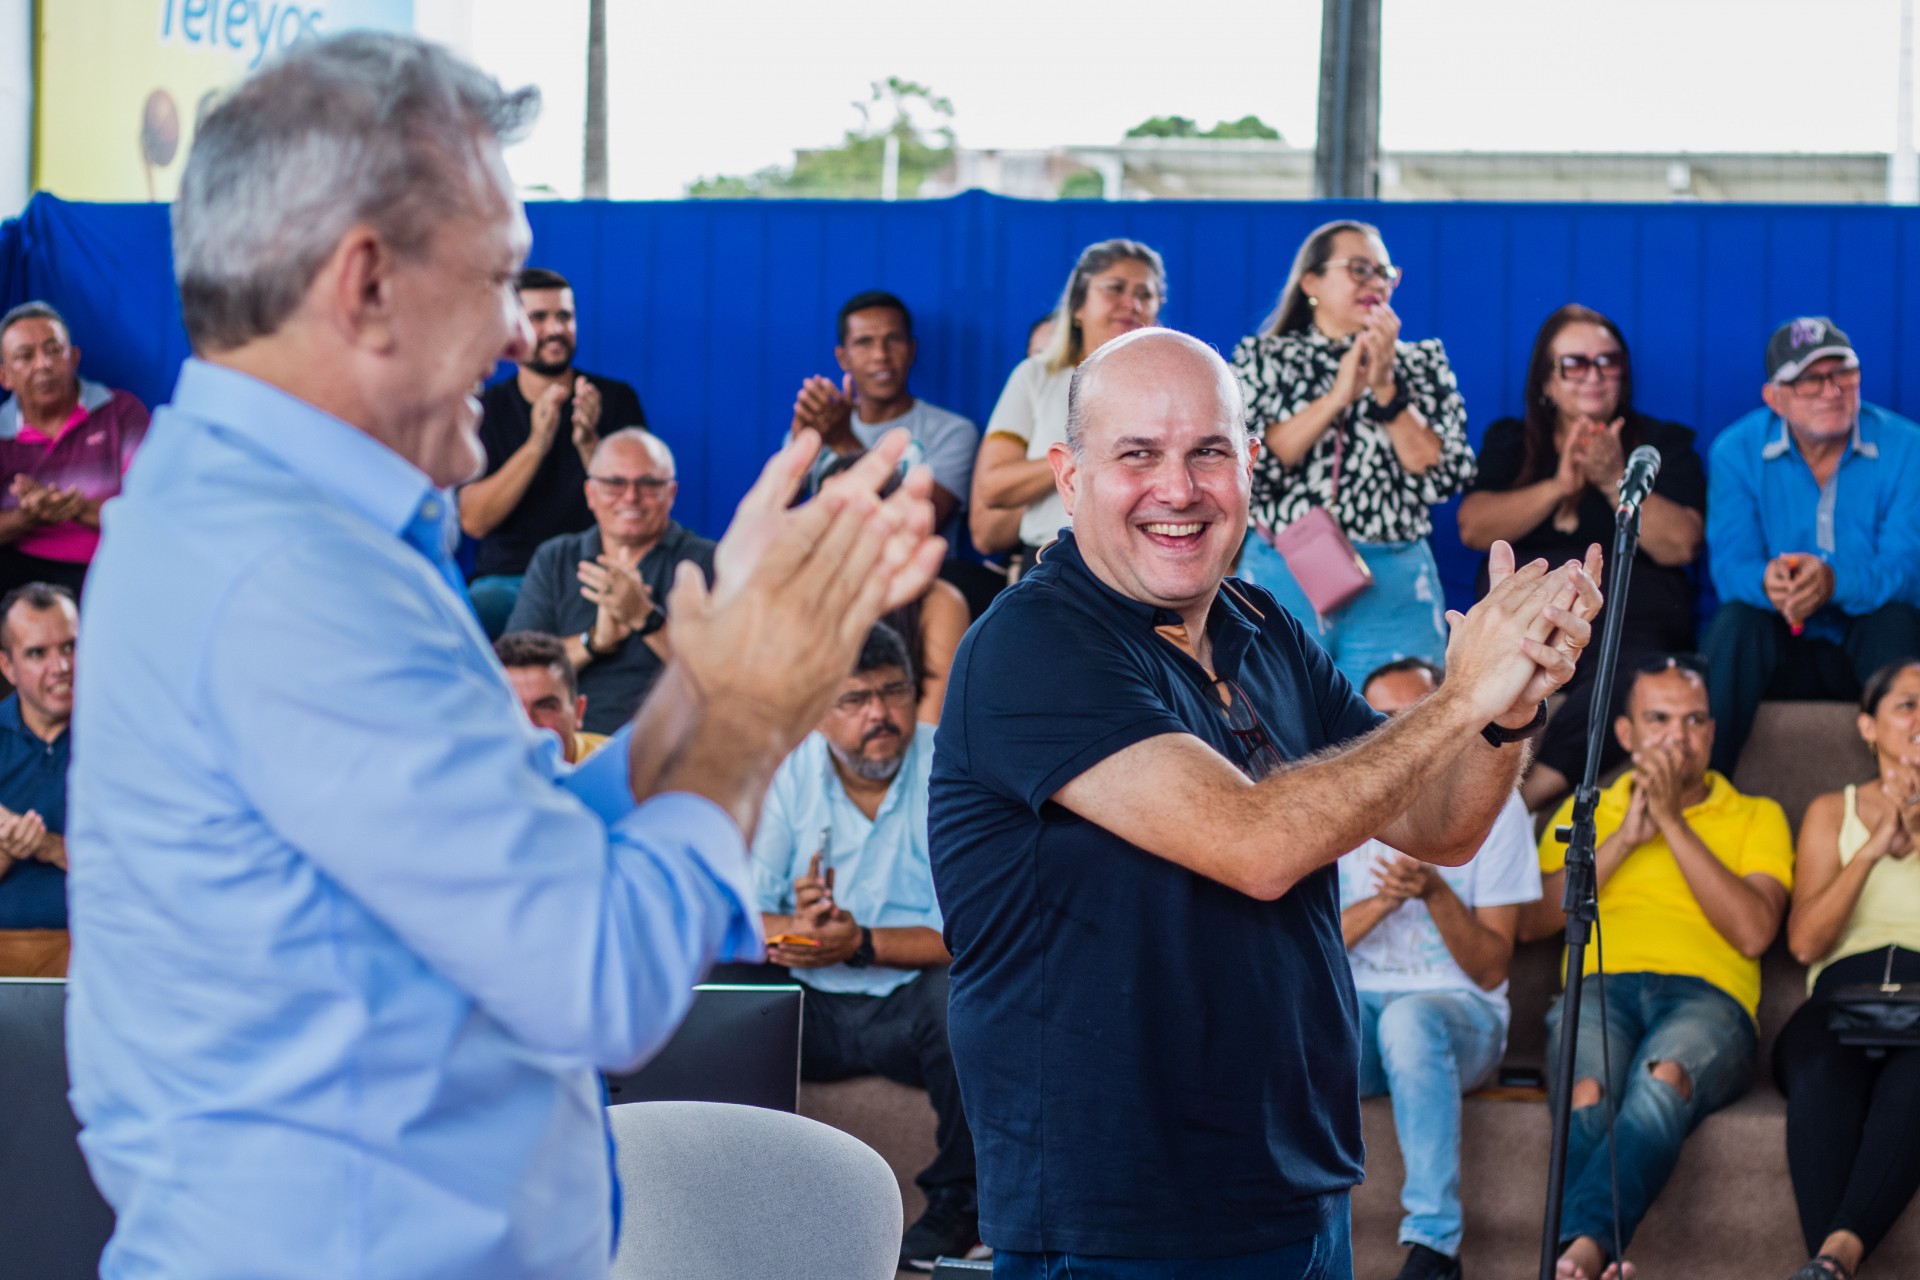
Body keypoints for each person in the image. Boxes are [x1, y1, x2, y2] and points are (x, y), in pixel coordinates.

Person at [65, 33, 944, 1280]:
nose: (510, 335)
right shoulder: (288, 574)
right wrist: (755, 708)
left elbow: (531, 839)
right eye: (495, 278)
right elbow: (599, 974)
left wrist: (706, 660)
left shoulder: (275, 530)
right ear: (365, 283)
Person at [931, 327, 1602, 1277]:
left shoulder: (1262, 624)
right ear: (1069, 478)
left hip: (1291, 1189)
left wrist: (1507, 711)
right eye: (1137, 455)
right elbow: (1256, 844)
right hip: (1117, 1214)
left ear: (1250, 464)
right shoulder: (1034, 646)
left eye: (1208, 451)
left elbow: (1441, 827)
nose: (1179, 487)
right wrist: (1458, 697)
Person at [1528, 658, 1794, 1280]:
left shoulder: (1756, 814)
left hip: (1710, 1002)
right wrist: (1624, 839)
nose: (1678, 735)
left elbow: (1755, 931)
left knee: (1663, 1079)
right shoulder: (1587, 809)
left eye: (1694, 720)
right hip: (1599, 987)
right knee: (1587, 1092)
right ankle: (1592, 1256)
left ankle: (1578, 1252)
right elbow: (1531, 922)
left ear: (1712, 731)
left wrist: (1672, 821)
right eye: (1660, 719)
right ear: (1625, 735)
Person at [752, 622, 978, 1270]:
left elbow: (978, 933)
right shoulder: (790, 772)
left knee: (971, 993)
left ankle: (959, 1204)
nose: (879, 714)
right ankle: (729, 1183)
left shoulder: (955, 765)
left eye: (893, 691)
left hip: (909, 1013)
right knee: (717, 983)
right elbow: (741, 911)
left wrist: (862, 944)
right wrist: (799, 931)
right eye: (854, 700)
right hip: (810, 1014)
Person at [1338, 657, 1542, 1280]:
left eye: (1415, 716)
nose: (1399, 732)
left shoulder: (1493, 808)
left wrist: (1433, 891)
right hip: (1360, 1017)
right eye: (1383, 720)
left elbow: (1490, 970)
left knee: (1409, 1019)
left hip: (1464, 1017)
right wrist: (1382, 904)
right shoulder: (1339, 804)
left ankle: (1435, 1246)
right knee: (1295, 1020)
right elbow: (1310, 946)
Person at [1458, 304, 1706, 809]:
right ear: (1546, 382)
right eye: (1575, 364)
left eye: (1607, 362)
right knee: (1495, 669)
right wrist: (1557, 488)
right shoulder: (1512, 440)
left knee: (1631, 672)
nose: (1593, 375)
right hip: (1529, 624)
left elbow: (1680, 543)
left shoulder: (1660, 444)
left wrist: (1614, 478)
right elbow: (1474, 527)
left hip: (1629, 627)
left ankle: (1524, 800)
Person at [1230, 219, 1477, 688]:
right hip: (1286, 572)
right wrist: (1336, 398)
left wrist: (1386, 389)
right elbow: (1247, 467)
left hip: (1394, 580)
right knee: (1276, 724)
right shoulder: (1263, 358)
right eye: (1359, 269)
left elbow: (1444, 475)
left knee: (1403, 728)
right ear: (1311, 282)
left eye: (1384, 272)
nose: (1375, 283)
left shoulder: (1422, 362)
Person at [1703, 316, 1920, 775]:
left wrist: (1833, 581)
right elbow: (1730, 567)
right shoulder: (1735, 450)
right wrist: (1770, 582)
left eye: (1843, 372)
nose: (1832, 390)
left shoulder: (1907, 447)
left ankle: (1909, 792)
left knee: (1896, 620)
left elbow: (1906, 570)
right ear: (1774, 397)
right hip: (1781, 645)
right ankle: (1704, 790)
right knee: (1736, 623)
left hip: (1868, 644)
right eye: (1809, 380)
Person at [1776, 660, 1920, 1280]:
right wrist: (1871, 848)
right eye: (1908, 705)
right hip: (1838, 1003)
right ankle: (1837, 1258)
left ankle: (1831, 1262)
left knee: (1914, 1083)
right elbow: (1805, 942)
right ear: (1868, 726)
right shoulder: (1830, 811)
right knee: (1817, 1075)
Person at [459, 266, 647, 636]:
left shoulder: (615, 400)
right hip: (508, 581)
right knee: (479, 607)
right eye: (539, 317)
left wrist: (590, 443)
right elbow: (474, 521)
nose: (555, 329)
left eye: (565, 316)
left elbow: (638, 507)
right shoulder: (487, 408)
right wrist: (536, 444)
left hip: (593, 574)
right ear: (515, 326)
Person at [967, 239, 1166, 564]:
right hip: (1051, 561)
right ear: (1077, 306)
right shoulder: (1037, 375)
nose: (1132, 304)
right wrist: (1087, 452)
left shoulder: (1171, 384)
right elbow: (994, 487)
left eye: (1145, 294)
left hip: (1144, 562)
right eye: (1114, 289)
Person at [505, 427, 715, 733]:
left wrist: (645, 619)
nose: (631, 497)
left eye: (649, 484)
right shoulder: (556, 557)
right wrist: (595, 642)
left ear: (671, 494)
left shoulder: (708, 561)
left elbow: (724, 679)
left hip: (672, 744)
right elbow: (514, 674)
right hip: (568, 743)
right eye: (615, 483)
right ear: (591, 494)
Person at [789, 290, 980, 531]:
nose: (880, 355)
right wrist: (796, 454)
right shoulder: (820, 424)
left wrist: (844, 443)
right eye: (864, 342)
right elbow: (771, 520)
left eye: (893, 340)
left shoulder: (953, 432)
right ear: (842, 357)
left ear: (912, 350)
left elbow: (917, 523)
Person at [0, 301, 150, 598]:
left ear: (75, 358)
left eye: (54, 350)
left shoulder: (121, 411)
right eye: (25, 356)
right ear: (4, 377)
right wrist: (27, 516)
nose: (43, 364)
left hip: (112, 563)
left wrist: (76, 507)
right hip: (20, 575)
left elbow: (148, 512)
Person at [0, 583, 76, 931]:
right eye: (36, 653)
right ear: (8, 666)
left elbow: (150, 869)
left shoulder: (126, 741)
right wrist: (8, 846)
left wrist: (49, 846)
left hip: (106, 956)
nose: (61, 666)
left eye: (70, 647)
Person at [494, 629, 608, 764]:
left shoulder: (625, 767)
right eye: (512, 707)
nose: (528, 723)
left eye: (546, 707)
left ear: (579, 712)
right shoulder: (470, 771)